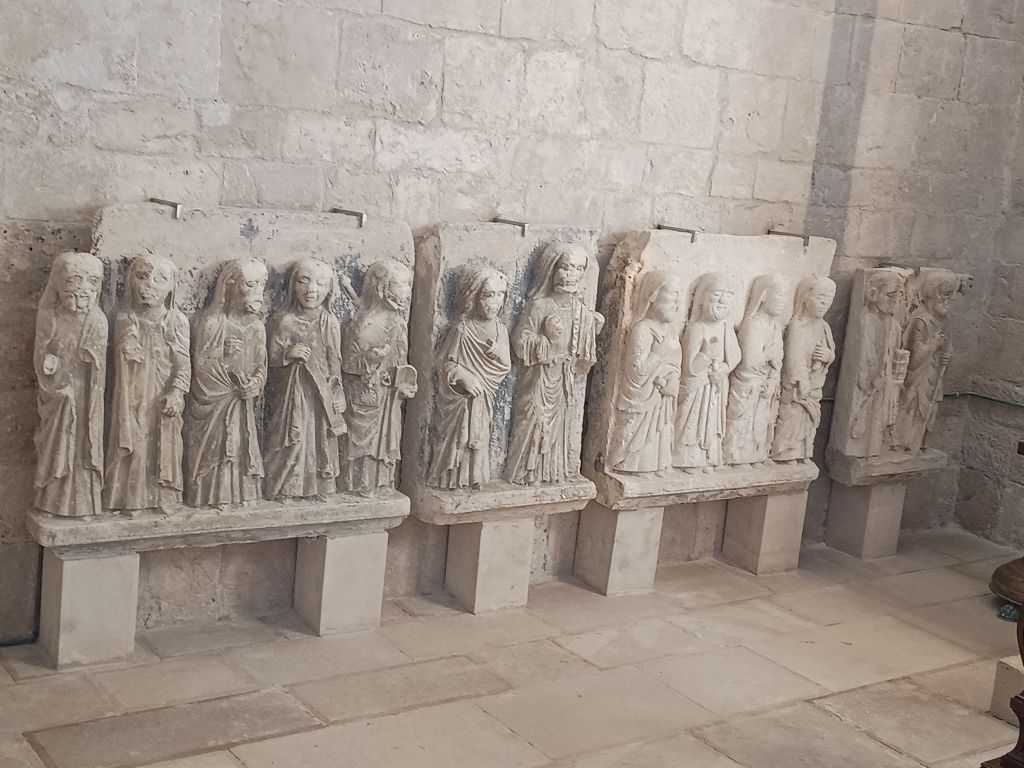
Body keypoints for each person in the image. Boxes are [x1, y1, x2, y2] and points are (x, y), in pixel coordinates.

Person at [505, 241, 603, 485]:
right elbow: (519, 340)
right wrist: (546, 342)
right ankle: (523, 474)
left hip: (563, 379)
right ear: (551, 269)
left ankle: (550, 474)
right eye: (565, 267)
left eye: (578, 269)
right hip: (538, 379)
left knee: (558, 429)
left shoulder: (579, 310)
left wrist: (593, 325)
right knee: (533, 421)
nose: (571, 275)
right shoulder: (539, 305)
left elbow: (581, 345)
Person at [106, 255, 191, 512]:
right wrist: (128, 348)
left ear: (171, 286)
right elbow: (123, 348)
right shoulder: (125, 318)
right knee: (136, 444)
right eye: (142, 277)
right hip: (132, 396)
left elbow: (183, 362)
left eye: (159, 279)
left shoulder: (176, 321)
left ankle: (163, 498)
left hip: (162, 393)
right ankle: (130, 501)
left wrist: (177, 392)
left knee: (165, 446)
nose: (149, 285)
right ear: (131, 281)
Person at [185, 259, 269, 508]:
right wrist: (226, 358)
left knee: (241, 446)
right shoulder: (212, 324)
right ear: (230, 285)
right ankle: (213, 497)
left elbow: (261, 366)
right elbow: (201, 370)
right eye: (250, 284)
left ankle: (243, 495)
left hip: (242, 405)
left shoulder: (257, 328)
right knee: (218, 448)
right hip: (216, 406)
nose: (257, 292)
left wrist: (254, 384)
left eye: (261, 285)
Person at [264, 258, 346, 499]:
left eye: (320, 283)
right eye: (304, 281)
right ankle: (285, 489)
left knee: (321, 440)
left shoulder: (329, 322)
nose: (311, 289)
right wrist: (287, 354)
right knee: (292, 440)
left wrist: (338, 393)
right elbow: (269, 359)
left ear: (329, 289)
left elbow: (335, 362)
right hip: (293, 395)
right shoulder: (285, 321)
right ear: (293, 285)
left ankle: (320, 488)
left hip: (321, 395)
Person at [33, 252, 107, 516]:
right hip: (59, 395)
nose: (83, 289)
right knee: (57, 444)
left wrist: (92, 358)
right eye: (74, 281)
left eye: (92, 282)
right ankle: (50, 501)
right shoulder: (50, 317)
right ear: (59, 283)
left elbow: (100, 363)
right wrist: (48, 361)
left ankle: (84, 505)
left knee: (83, 447)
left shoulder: (97, 320)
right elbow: (43, 351)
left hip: (87, 398)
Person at [427, 265, 512, 490]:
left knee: (478, 438)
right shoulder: (462, 329)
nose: (494, 302)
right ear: (473, 296)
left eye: (500, 294)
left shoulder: (501, 330)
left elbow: (506, 366)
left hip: (485, 397)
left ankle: (472, 480)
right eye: (487, 295)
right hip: (460, 400)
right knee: (458, 439)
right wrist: (462, 375)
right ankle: (450, 481)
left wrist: (500, 353)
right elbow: (443, 363)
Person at [340, 259, 417, 494]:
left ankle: (381, 483)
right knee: (360, 444)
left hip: (388, 397)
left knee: (384, 446)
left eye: (407, 285)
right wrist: (370, 359)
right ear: (382, 287)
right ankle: (356, 487)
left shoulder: (399, 323)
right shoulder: (363, 323)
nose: (406, 291)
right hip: (364, 394)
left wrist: (406, 384)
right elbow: (348, 364)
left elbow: (401, 362)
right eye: (399, 284)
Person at [608, 270, 683, 474]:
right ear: (653, 296)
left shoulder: (671, 330)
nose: (676, 303)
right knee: (639, 437)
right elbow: (636, 371)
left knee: (660, 431)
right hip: (643, 397)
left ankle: (655, 465)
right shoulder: (643, 329)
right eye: (671, 295)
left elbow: (676, 363)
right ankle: (630, 464)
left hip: (662, 397)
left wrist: (672, 378)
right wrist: (658, 356)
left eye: (678, 296)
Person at [673, 272, 741, 473]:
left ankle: (707, 459)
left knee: (711, 424)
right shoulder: (697, 329)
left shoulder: (726, 328)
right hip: (698, 389)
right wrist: (705, 356)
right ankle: (686, 460)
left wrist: (723, 369)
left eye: (728, 296)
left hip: (716, 387)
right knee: (693, 422)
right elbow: (689, 367)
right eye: (717, 294)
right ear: (703, 298)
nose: (722, 301)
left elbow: (735, 356)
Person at [771, 276, 837, 463]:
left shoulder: (824, 327)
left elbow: (831, 351)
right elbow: (794, 359)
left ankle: (803, 453)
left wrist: (828, 356)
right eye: (820, 298)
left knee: (808, 421)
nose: (825, 303)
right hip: (798, 387)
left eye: (829, 299)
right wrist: (802, 380)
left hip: (815, 386)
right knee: (793, 417)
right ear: (806, 297)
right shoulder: (797, 327)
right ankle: (784, 453)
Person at [723, 274, 786, 466]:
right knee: (743, 422)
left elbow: (779, 359)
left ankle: (756, 456)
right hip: (748, 384)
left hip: (765, 386)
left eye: (785, 296)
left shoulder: (775, 327)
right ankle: (733, 456)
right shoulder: (754, 324)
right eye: (779, 295)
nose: (783, 301)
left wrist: (772, 378)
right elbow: (749, 361)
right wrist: (769, 356)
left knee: (760, 422)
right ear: (764, 295)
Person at [896, 271, 958, 452]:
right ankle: (904, 443)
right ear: (933, 293)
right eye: (946, 294)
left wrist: (947, 355)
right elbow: (914, 360)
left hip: (934, 375)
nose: (949, 300)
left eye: (952, 295)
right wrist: (933, 345)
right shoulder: (920, 321)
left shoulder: (946, 321)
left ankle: (920, 444)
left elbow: (948, 348)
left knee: (931, 409)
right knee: (913, 407)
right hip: (919, 379)